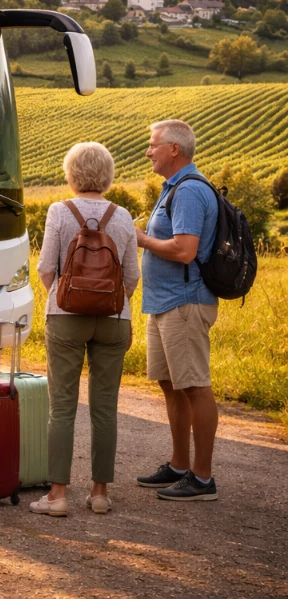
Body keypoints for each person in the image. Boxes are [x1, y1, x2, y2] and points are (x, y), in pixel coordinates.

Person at [29, 143, 139, 517]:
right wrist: (113, 304)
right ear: (106, 175)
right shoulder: (123, 216)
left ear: (71, 174)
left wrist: (65, 299)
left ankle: (57, 495)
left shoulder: (59, 211)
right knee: (105, 409)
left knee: (62, 407)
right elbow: (132, 276)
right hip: (114, 319)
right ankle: (100, 493)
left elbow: (46, 268)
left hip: (65, 316)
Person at [134, 119, 220, 501]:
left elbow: (185, 250)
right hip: (166, 302)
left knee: (195, 387)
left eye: (153, 145)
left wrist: (141, 240)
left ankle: (202, 479)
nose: (149, 151)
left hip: (185, 303)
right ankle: (179, 465)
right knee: (172, 386)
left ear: (174, 149)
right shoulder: (173, 188)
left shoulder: (187, 191)